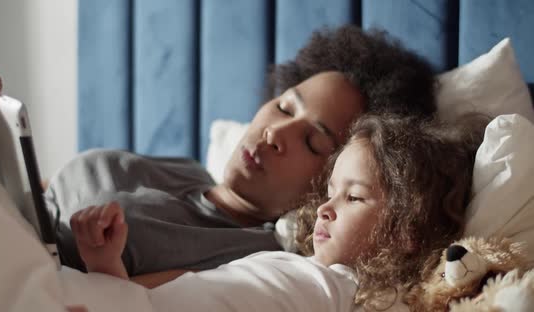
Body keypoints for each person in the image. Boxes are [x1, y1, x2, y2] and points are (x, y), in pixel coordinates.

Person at [43, 25, 438, 283]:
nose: (274, 132)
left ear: (333, 184)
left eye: (312, 142)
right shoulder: (185, 169)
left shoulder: (256, 260)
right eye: (284, 107)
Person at [72, 113, 488, 311]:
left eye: (354, 197)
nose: (325, 208)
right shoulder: (294, 266)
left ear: (406, 230)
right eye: (330, 192)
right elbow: (158, 296)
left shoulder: (354, 297)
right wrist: (105, 266)